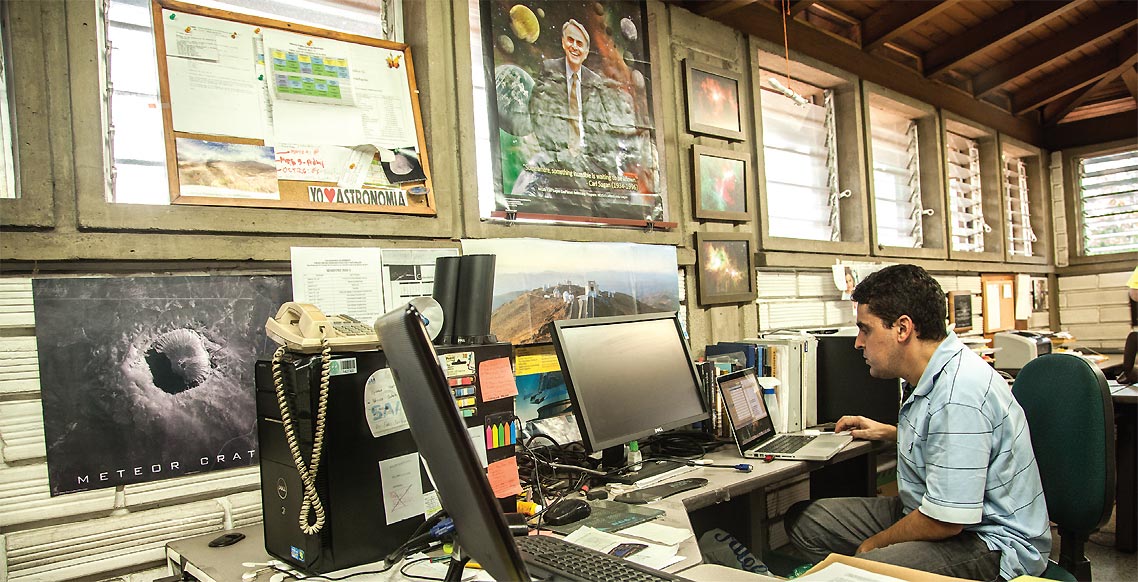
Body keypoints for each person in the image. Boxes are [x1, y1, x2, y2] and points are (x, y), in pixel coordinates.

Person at [785, 264, 1051, 580]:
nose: (858, 342)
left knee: (863, 569)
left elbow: (945, 521)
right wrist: (890, 433)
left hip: (989, 540)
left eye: (866, 329)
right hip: (934, 514)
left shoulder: (958, 394)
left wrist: (872, 547)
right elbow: (948, 443)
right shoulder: (930, 374)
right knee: (809, 522)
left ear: (902, 328)